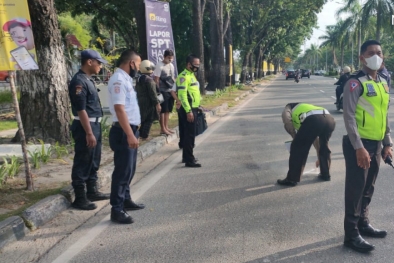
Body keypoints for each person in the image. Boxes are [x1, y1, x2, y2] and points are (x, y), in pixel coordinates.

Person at [342, 40, 392, 253]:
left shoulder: (382, 82)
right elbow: (349, 116)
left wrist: (387, 143)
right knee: (356, 190)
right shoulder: (355, 82)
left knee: (368, 187)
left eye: (379, 52)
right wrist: (359, 147)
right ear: (362, 57)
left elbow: (384, 116)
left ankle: (363, 223)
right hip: (359, 145)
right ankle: (351, 235)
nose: (376, 56)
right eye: (371, 53)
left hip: (377, 144)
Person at [68, 49, 110, 210]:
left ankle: (92, 191)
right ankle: (80, 197)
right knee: (83, 160)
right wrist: (89, 133)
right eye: (98, 62)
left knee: (94, 158)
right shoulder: (79, 81)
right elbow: (81, 109)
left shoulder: (88, 79)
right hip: (85, 126)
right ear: (89, 62)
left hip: (94, 124)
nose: (100, 66)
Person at [107, 50, 145, 224]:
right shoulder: (118, 80)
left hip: (130, 130)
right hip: (123, 132)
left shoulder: (126, 80)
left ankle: (126, 200)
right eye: (138, 64)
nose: (139, 68)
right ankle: (117, 209)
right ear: (131, 63)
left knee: (129, 169)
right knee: (122, 172)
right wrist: (130, 134)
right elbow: (119, 109)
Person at [277, 103, 336, 186]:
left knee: (298, 147)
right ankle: (325, 174)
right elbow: (315, 138)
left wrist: (295, 138)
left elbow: (287, 121)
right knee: (324, 145)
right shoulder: (307, 108)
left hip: (314, 121)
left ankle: (292, 179)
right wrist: (320, 158)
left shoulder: (287, 108)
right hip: (329, 119)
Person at [176, 54, 202, 167]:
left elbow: (193, 92)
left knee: (189, 134)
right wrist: (188, 111)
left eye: (198, 65)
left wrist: (198, 105)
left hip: (193, 107)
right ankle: (189, 160)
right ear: (188, 64)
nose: (197, 67)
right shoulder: (183, 77)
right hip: (188, 109)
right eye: (195, 65)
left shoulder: (192, 75)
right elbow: (182, 95)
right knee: (189, 135)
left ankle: (187, 157)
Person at [153, 49, 181, 135]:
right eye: (169, 58)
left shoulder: (171, 66)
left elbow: (173, 78)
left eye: (171, 58)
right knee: (163, 110)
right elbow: (156, 79)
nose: (170, 59)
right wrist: (157, 92)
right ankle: (162, 128)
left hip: (170, 90)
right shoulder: (159, 65)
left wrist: (175, 89)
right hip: (162, 90)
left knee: (168, 110)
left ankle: (166, 126)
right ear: (164, 57)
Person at [136, 60, 161, 140]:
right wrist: (157, 104)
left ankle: (140, 134)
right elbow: (153, 93)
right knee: (149, 119)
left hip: (140, 101)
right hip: (149, 102)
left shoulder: (139, 79)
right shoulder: (149, 80)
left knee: (143, 118)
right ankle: (144, 135)